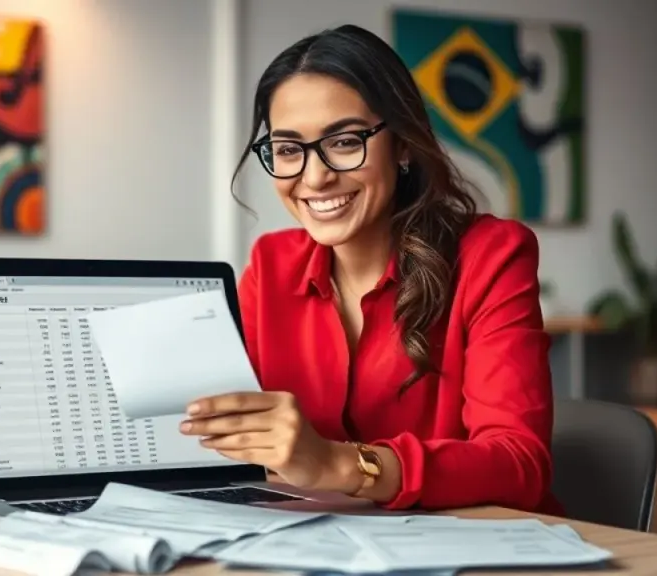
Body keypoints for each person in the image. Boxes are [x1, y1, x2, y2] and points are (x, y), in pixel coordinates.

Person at [178, 24, 560, 515]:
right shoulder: (271, 265)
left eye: (344, 141)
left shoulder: (492, 255)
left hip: (472, 547)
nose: (315, 177)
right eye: (289, 149)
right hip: (316, 543)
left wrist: (341, 466)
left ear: (402, 146)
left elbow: (519, 464)